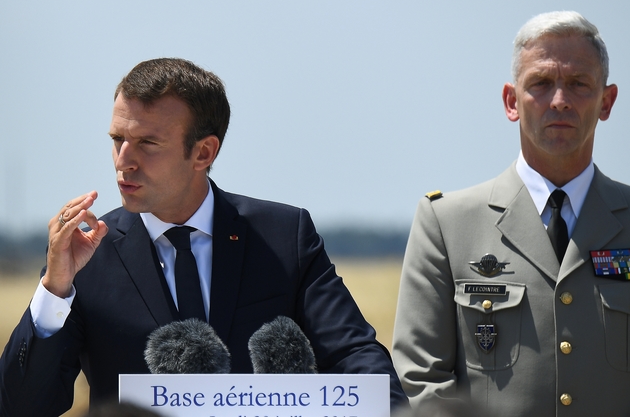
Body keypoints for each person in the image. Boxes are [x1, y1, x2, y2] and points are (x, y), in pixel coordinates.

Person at [0, 58, 407, 416]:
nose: (124, 161)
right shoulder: (86, 256)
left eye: (147, 143)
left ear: (203, 153)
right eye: (117, 140)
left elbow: (355, 357)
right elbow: (22, 407)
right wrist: (54, 290)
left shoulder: (285, 236)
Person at [392, 11, 628, 416]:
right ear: (511, 101)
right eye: (540, 83)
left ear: (606, 101)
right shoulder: (448, 224)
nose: (559, 100)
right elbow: (422, 380)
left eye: (578, 84)